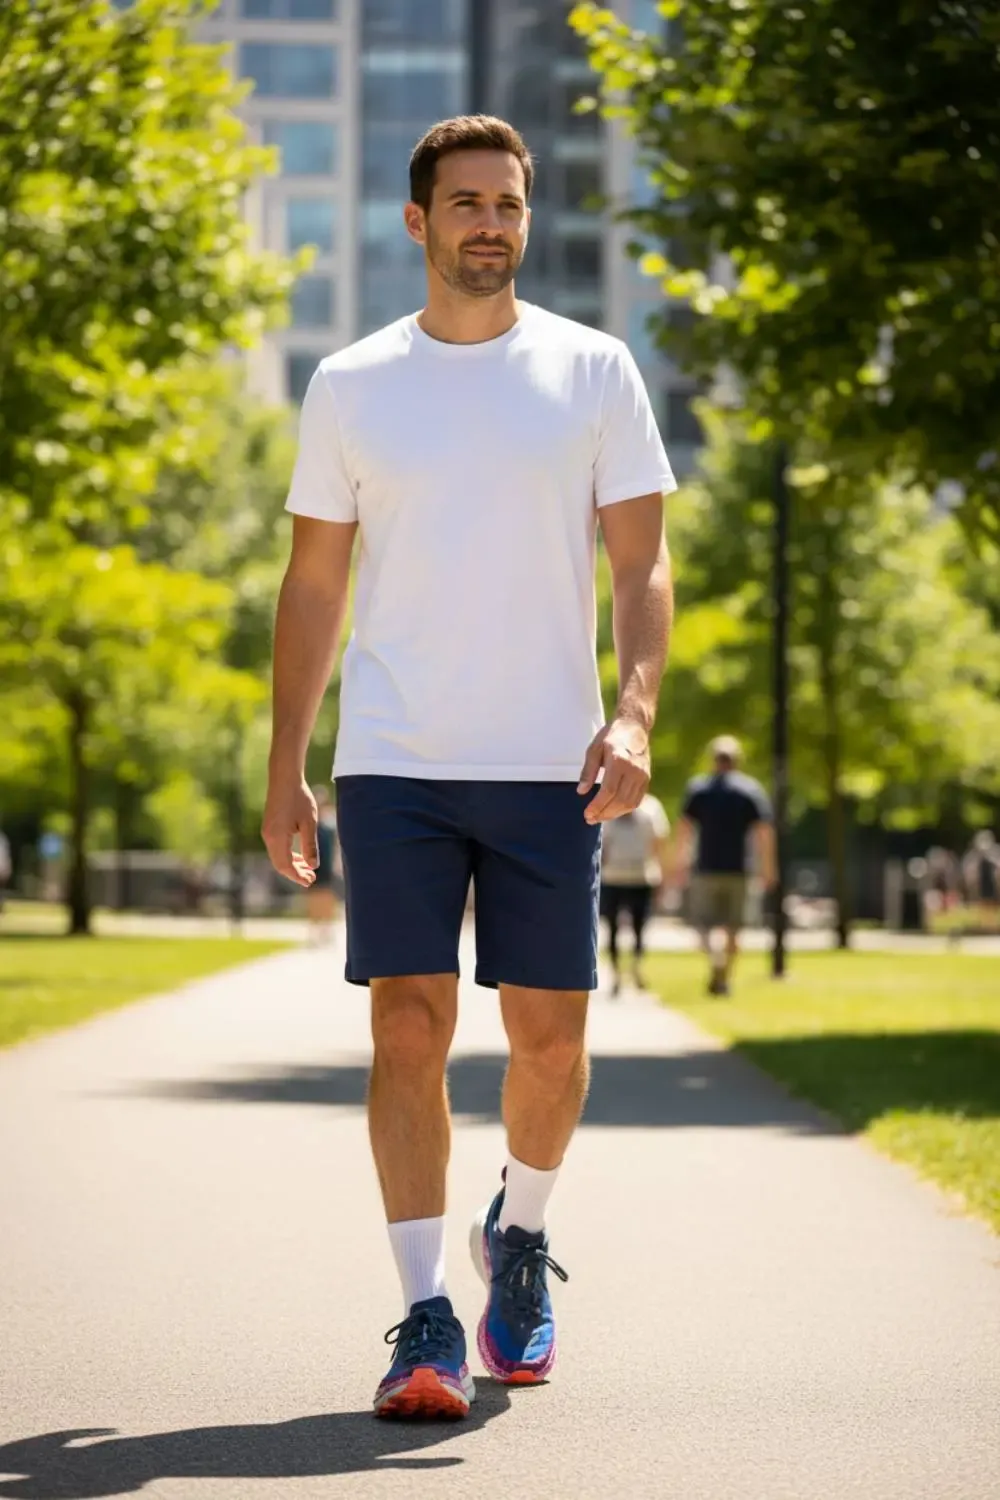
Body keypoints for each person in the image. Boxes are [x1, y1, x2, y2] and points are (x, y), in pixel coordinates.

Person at [261, 115, 675, 1420]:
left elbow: (642, 566)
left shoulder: (597, 370)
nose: (489, 222)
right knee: (406, 1026)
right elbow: (312, 582)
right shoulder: (352, 386)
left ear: (527, 220)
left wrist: (638, 715)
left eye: (508, 202)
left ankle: (523, 1234)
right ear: (417, 223)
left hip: (553, 765)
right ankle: (424, 1312)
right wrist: (287, 766)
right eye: (466, 202)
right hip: (395, 765)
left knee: (549, 1044)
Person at [671, 736, 775, 996]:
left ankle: (715, 960)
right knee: (734, 927)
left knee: (702, 924)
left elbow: (684, 829)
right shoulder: (749, 790)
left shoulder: (699, 789)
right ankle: (725, 976)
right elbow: (764, 832)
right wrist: (769, 867)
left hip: (705, 868)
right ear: (737, 760)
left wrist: (679, 863)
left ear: (713, 760)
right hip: (739, 869)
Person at [599, 793, 669, 995]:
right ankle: (616, 973)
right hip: (613, 877)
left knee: (640, 928)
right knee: (612, 928)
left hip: (642, 876)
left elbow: (658, 842)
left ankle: (636, 967)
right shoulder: (609, 803)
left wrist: (661, 873)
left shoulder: (651, 807)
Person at [305, 784, 341, 944]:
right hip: (312, 864)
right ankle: (314, 929)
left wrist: (337, 863)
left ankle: (326, 929)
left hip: (326, 864)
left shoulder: (329, 824)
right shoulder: (309, 824)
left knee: (327, 896)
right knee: (313, 897)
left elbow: (335, 845)